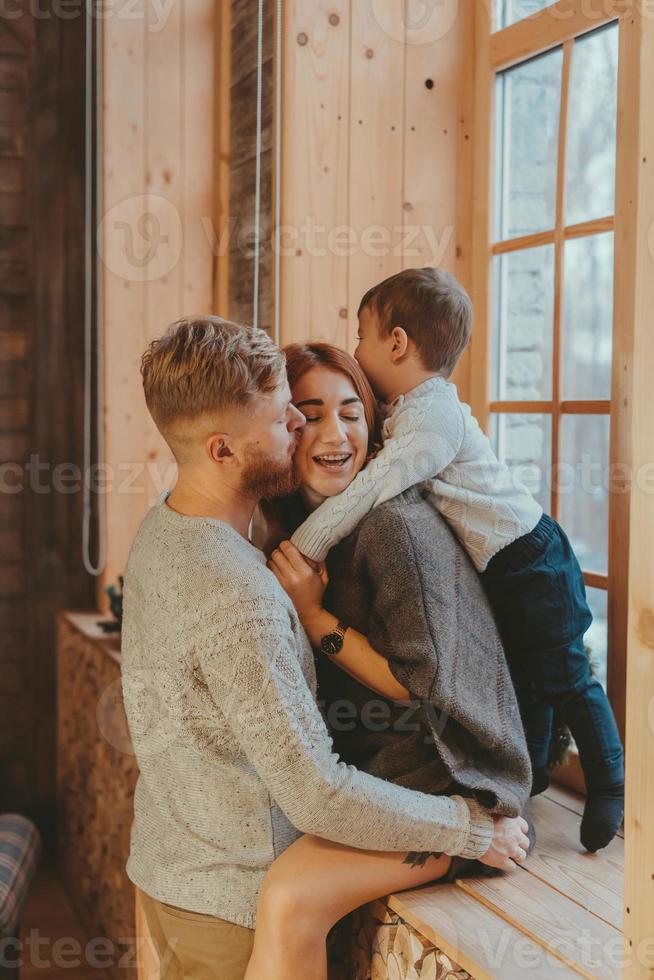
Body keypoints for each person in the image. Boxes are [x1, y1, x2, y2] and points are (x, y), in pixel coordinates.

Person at [120, 317, 530, 980]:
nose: (301, 427)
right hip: (231, 901)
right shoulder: (241, 591)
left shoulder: (164, 530)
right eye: (287, 415)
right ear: (223, 451)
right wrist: (472, 830)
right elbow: (317, 794)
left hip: (171, 870)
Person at [290, 267, 625, 854]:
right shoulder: (410, 412)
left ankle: (610, 786)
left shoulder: (432, 423)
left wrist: (305, 548)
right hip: (506, 562)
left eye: (363, 336)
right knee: (527, 679)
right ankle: (535, 779)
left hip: (532, 558)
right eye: (310, 415)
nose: (360, 349)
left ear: (396, 343)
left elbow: (379, 485)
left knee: (567, 680)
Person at [244, 342, 533, 980]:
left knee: (290, 900)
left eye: (352, 413)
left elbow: (417, 688)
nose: (335, 433)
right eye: (311, 414)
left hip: (448, 780)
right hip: (370, 773)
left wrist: (317, 618)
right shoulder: (298, 525)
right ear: (283, 429)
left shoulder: (393, 529)